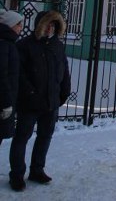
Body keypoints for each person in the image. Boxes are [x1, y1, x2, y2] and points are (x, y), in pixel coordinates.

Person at [9, 10, 71, 192]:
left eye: (53, 25)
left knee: (45, 136)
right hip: (30, 102)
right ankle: (17, 175)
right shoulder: (25, 45)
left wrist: (64, 91)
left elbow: (64, 69)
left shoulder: (57, 46)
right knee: (22, 137)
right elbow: (19, 73)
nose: (50, 28)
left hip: (51, 101)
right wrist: (29, 92)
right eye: (47, 24)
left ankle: (37, 169)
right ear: (39, 25)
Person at [0, 10, 23, 146]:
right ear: (10, 25)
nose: (21, 28)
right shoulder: (4, 44)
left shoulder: (9, 43)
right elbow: (2, 76)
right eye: (18, 24)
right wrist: (6, 103)